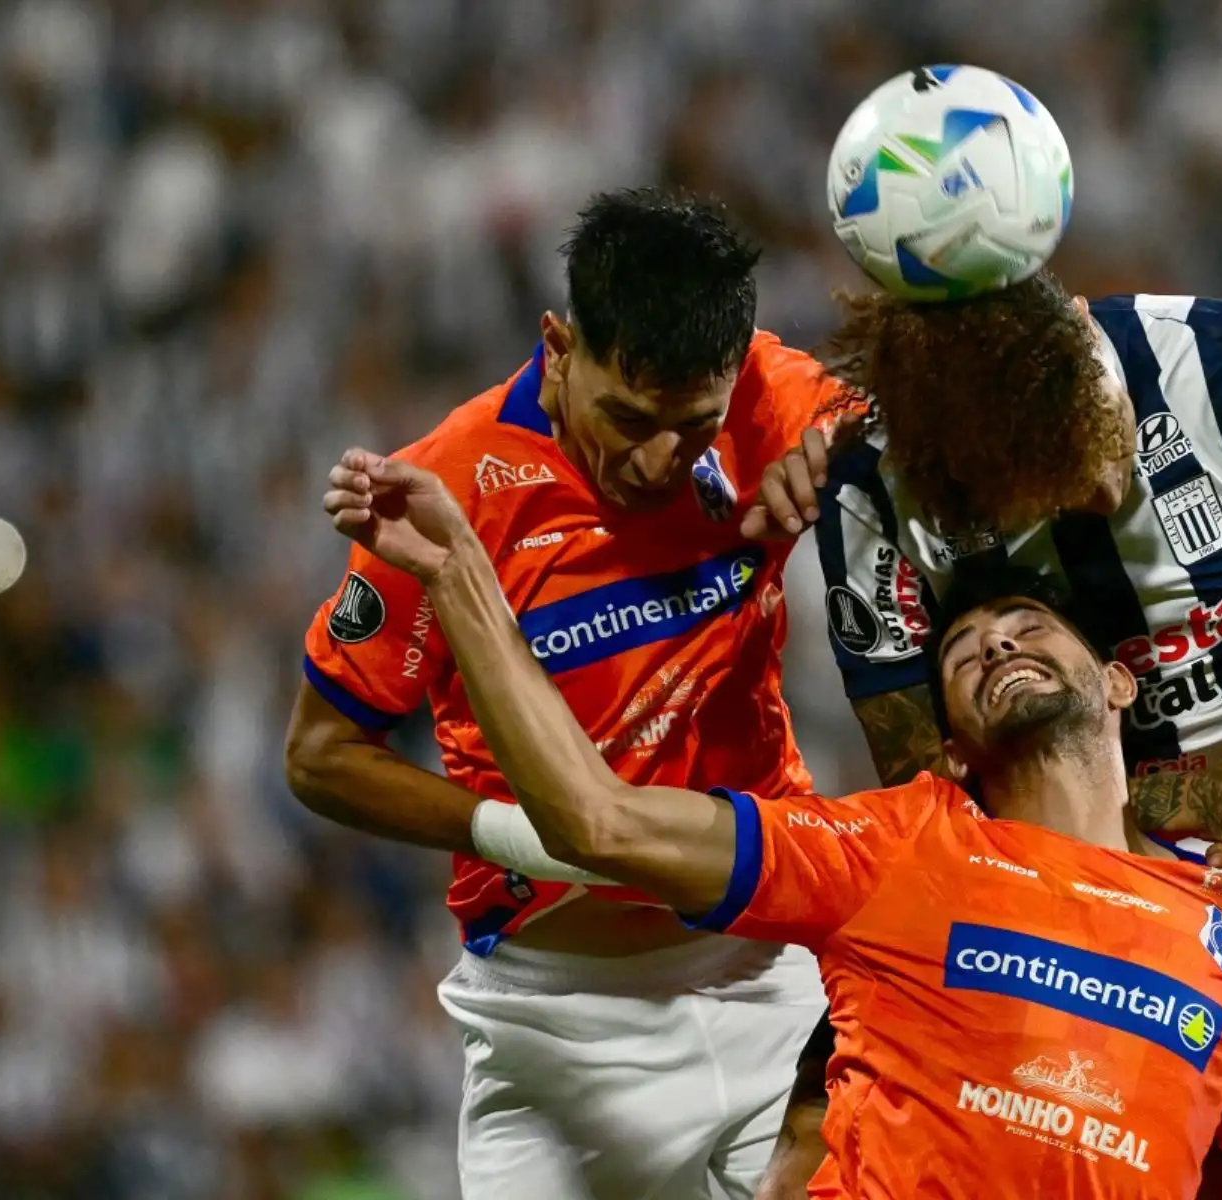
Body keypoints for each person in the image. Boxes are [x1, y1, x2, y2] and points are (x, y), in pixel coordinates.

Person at [319, 444, 1222, 1199]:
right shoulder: (896, 848)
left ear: (1121, 682)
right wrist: (461, 576)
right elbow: (601, 823)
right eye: (964, 653)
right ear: (952, 750)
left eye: (1028, 625)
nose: (997, 644)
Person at [744, 273, 1222, 1196]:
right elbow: (941, 789)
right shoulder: (876, 495)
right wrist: (1183, 796)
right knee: (812, 1143)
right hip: (1016, 899)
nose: (1106, 488)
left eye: (1105, 433)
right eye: (1056, 486)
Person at [283, 188, 855, 1200]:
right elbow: (320, 756)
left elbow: (925, 448)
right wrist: (517, 835)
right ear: (558, 347)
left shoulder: (774, 398)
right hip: (556, 1025)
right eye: (628, 418)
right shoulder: (447, 490)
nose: (658, 459)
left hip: (779, 974)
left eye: (693, 427)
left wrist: (851, 463)